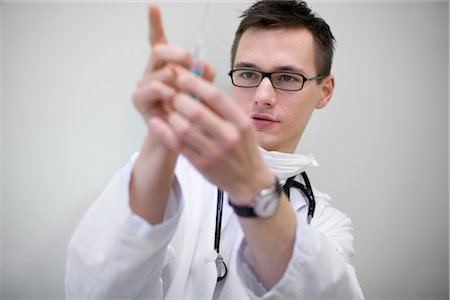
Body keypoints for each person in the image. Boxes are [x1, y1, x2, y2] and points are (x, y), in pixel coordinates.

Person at [66, 1, 364, 299]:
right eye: (248, 74)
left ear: (324, 91)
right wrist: (161, 139)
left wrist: (252, 186)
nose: (263, 96)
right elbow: (94, 291)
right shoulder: (168, 178)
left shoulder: (325, 222)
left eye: (287, 78)